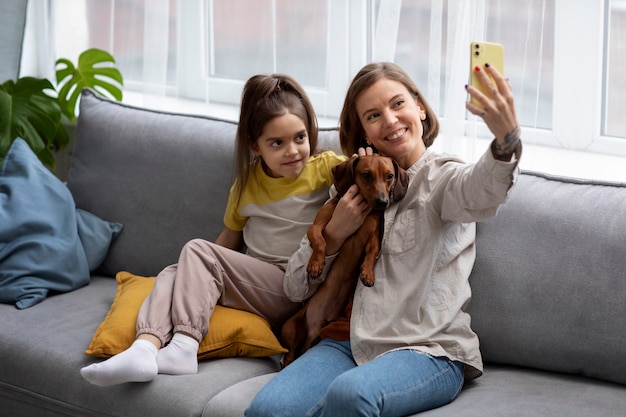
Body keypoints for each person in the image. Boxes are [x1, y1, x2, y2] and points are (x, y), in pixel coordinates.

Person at [246, 61, 521, 417]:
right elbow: (295, 288)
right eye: (373, 115)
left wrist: (505, 141)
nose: (390, 120)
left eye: (398, 104)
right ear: (363, 131)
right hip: (344, 343)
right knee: (268, 410)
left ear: (420, 107)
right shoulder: (349, 186)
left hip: (424, 349)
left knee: (351, 394)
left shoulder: (443, 181)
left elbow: (482, 191)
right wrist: (335, 232)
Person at [80, 73, 346, 387]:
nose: (293, 151)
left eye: (300, 138)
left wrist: (366, 159)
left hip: (293, 286)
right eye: (278, 142)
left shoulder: (324, 169)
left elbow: (362, 174)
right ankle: (145, 347)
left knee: (196, 250)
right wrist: (195, 270)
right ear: (255, 146)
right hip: (255, 285)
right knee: (172, 272)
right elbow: (228, 241)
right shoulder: (247, 184)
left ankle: (184, 345)